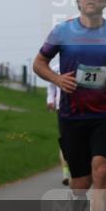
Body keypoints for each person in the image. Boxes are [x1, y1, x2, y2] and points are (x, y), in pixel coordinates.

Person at [33, 0, 106, 211]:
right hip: (72, 115)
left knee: (102, 169)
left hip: (105, 114)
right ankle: (78, 198)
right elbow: (38, 63)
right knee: (82, 181)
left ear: (105, 0)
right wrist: (57, 78)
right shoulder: (62, 31)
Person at [45, 58, 72, 186]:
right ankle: (66, 172)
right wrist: (50, 100)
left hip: (84, 109)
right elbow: (50, 87)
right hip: (62, 108)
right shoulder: (55, 68)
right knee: (65, 142)